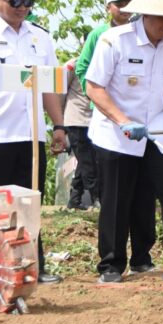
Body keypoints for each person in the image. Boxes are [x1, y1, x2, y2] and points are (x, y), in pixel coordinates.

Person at [86, 0, 163, 283]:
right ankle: (111, 264)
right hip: (115, 131)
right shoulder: (115, 40)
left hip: (158, 130)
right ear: (145, 15)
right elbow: (94, 87)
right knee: (117, 199)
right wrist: (123, 120)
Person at [0, 0, 65, 283]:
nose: (23, 8)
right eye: (16, 1)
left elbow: (48, 85)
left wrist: (59, 125)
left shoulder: (40, 37)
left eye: (28, 2)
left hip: (30, 135)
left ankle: (32, 266)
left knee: (28, 205)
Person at [64, 55, 99, 209]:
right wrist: (59, 123)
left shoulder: (102, 62)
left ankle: (74, 200)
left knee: (86, 161)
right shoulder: (73, 65)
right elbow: (59, 91)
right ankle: (98, 199)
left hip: (94, 121)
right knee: (87, 162)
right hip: (76, 120)